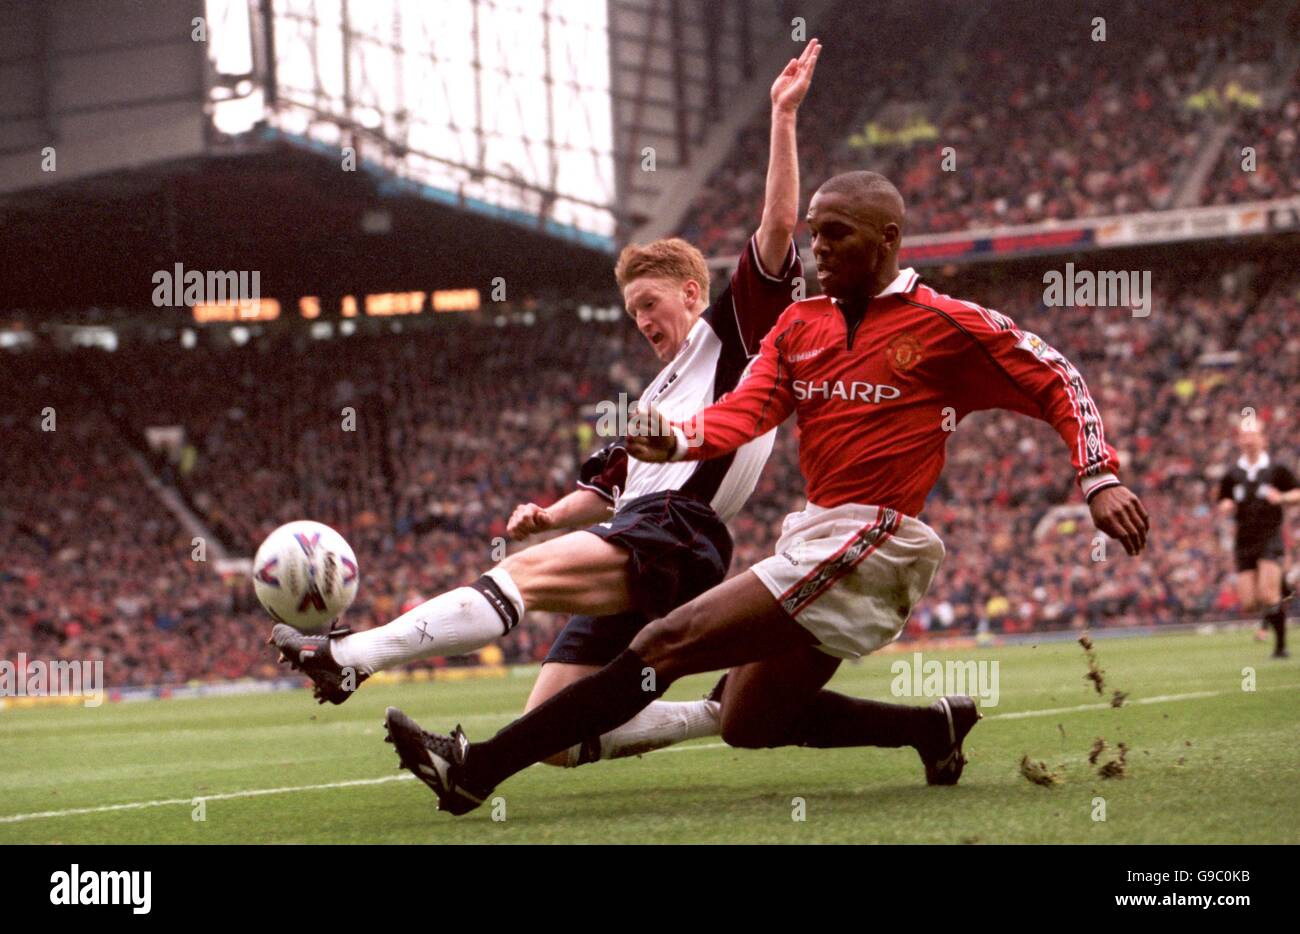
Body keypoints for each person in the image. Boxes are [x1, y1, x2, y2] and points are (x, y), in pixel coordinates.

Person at [384, 170, 1151, 815]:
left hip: (875, 541)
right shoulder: (798, 328)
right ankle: (932, 727)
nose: (818, 246)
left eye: (837, 232)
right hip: (815, 535)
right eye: (814, 231)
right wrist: (678, 440)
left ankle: (474, 771)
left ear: (888, 239)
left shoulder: (946, 324)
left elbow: (1055, 376)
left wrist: (1098, 473)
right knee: (748, 720)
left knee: (664, 643)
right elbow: (747, 410)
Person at [270, 41, 822, 769]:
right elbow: (602, 490)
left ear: (692, 293)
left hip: (677, 533)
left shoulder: (735, 335)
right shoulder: (653, 398)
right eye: (632, 315)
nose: (644, 323)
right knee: (556, 737)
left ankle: (352, 655)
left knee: (518, 582)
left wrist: (782, 117)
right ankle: (716, 711)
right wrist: (548, 517)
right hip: (643, 533)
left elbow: (779, 229)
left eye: (650, 305)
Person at [1216, 424, 1297, 658]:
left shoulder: (1276, 469)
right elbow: (1223, 499)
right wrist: (1225, 506)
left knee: (1269, 596)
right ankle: (1283, 584)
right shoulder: (1232, 474)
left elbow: (1297, 493)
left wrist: (1281, 496)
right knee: (1250, 603)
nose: (1249, 439)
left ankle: (1280, 647)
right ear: (1239, 441)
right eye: (1244, 435)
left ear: (1264, 439)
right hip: (1243, 542)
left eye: (1253, 434)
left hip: (1269, 537)